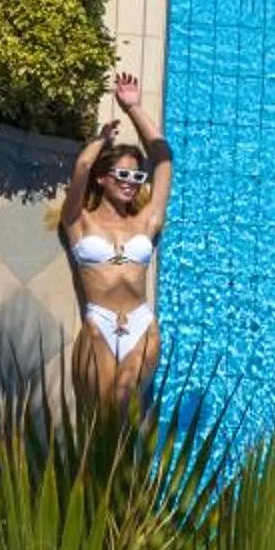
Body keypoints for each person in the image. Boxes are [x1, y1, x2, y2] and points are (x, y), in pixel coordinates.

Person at [59, 71, 171, 409]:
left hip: (141, 323)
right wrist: (101, 139)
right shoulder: (79, 220)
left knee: (124, 402)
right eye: (122, 174)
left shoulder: (146, 221)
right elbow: (80, 166)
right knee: (103, 416)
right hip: (100, 323)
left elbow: (165, 160)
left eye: (137, 176)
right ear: (103, 179)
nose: (130, 182)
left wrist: (135, 108)